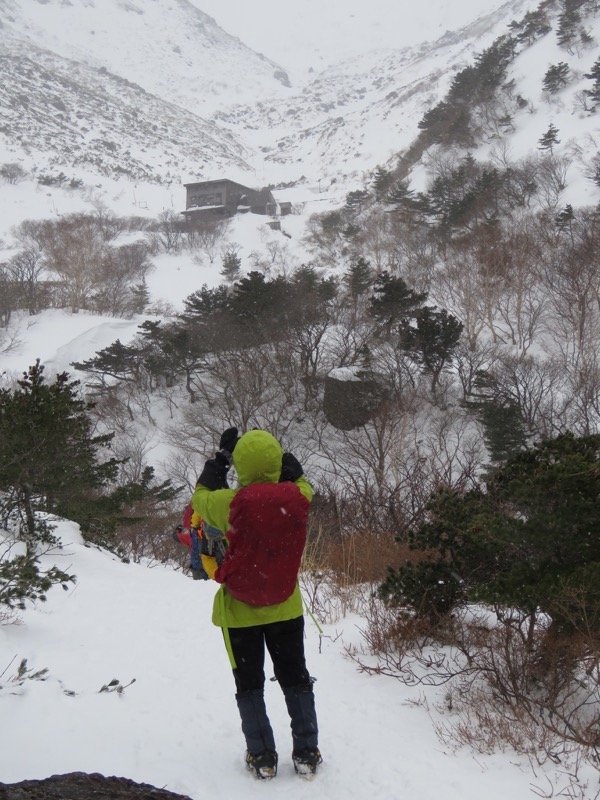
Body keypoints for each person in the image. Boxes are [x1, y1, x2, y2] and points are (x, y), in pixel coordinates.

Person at [191, 427, 322, 780]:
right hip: (286, 608)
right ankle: (307, 752)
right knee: (295, 679)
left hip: (240, 613)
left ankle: (263, 757)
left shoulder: (228, 504)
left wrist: (221, 459)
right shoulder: (297, 498)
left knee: (250, 685)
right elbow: (304, 485)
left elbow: (200, 496)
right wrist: (290, 470)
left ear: (243, 466)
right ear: (277, 462)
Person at [171, 502, 227, 580]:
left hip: (200, 572)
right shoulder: (221, 531)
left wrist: (178, 530)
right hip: (221, 571)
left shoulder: (192, 536)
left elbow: (176, 537)